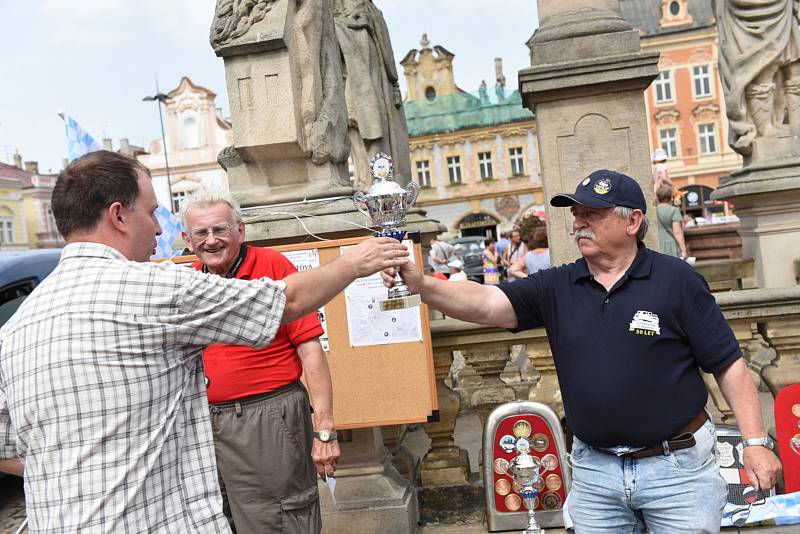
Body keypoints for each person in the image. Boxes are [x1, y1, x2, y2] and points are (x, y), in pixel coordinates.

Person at [0, 150, 408, 533]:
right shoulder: (156, 287)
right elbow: (290, 300)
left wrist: (75, 467)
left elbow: (4, 448)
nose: (160, 228)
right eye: (152, 212)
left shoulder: (17, 326)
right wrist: (357, 261)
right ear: (119, 216)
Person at [384, 169, 782, 534]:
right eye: (576, 214)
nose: (578, 223)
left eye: (592, 213)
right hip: (595, 472)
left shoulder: (676, 281)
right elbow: (487, 303)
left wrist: (755, 444)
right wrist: (422, 285)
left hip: (676, 471)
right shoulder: (560, 285)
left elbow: (728, 366)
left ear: (633, 222)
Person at [181, 189, 338, 534]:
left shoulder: (273, 267)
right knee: (219, 521)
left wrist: (324, 430)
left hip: (267, 416)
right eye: (200, 233)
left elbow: (310, 349)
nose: (211, 241)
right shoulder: (189, 282)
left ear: (241, 230)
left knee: (279, 520)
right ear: (187, 240)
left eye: (219, 230)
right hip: (206, 423)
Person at [656, 185, 688, 260]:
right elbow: (677, 232)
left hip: (658, 244)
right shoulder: (674, 210)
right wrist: (683, 250)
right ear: (670, 197)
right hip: (671, 245)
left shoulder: (653, 212)